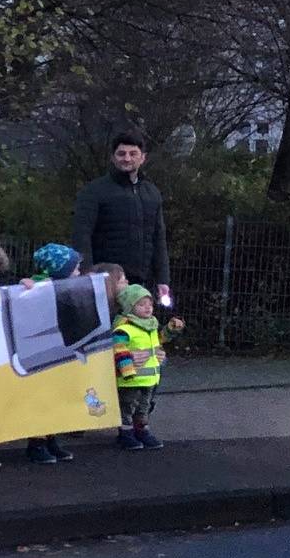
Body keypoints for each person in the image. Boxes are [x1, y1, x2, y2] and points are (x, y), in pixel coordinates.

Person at [70, 131, 171, 305]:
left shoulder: (152, 193)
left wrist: (163, 279)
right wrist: (86, 271)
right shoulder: (94, 191)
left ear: (143, 158)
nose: (127, 158)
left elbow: (158, 238)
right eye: (121, 153)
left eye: (133, 154)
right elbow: (81, 233)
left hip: (140, 281)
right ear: (113, 157)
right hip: (105, 280)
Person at [21, 243, 83, 465]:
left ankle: (51, 437)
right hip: (40, 351)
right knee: (41, 397)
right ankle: (36, 442)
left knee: (56, 395)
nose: (78, 273)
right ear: (60, 270)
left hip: (59, 347)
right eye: (74, 269)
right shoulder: (38, 287)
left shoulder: (66, 290)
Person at [112, 283, 185, 450]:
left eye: (150, 304)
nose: (148, 308)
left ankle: (141, 430)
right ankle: (126, 433)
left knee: (143, 407)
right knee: (127, 407)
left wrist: (171, 329)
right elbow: (119, 349)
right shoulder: (124, 329)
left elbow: (159, 339)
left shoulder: (150, 325)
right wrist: (127, 370)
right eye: (141, 304)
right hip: (131, 379)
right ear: (130, 307)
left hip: (150, 378)